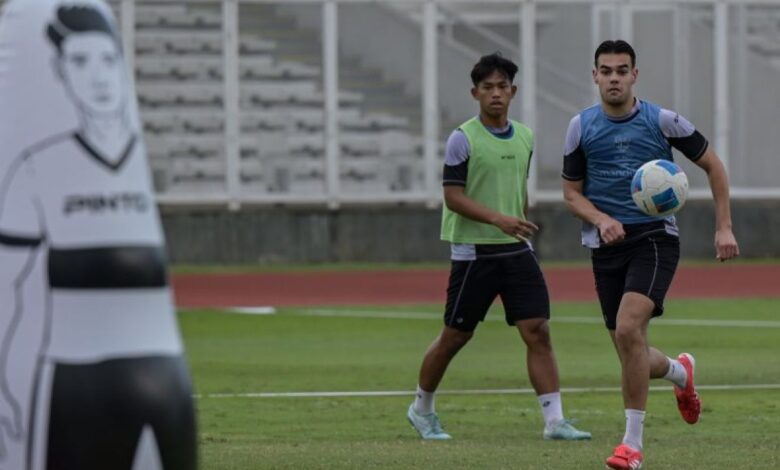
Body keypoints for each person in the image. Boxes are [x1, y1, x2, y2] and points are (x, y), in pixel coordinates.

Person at [0, 4, 196, 469]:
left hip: (164, 386)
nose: (99, 77)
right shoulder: (34, 169)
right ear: (59, 71)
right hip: (68, 388)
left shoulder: (134, 167)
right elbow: (12, 293)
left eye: (107, 60)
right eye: (81, 62)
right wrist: (11, 394)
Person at [561, 40, 739, 470]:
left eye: (622, 70)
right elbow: (570, 193)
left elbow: (713, 164)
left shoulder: (662, 120)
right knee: (631, 349)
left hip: (655, 238)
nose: (615, 78)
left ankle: (632, 446)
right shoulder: (580, 127)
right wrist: (601, 218)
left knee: (627, 328)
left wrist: (724, 226)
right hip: (605, 246)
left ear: (634, 75)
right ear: (595, 76)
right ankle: (680, 373)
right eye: (607, 71)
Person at [406, 52, 591, 442]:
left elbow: (517, 189)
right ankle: (421, 409)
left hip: (516, 250)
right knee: (456, 335)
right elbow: (453, 196)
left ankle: (555, 422)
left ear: (514, 91)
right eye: (487, 87)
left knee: (538, 330)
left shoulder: (524, 136)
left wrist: (517, 221)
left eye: (502, 87)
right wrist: (499, 219)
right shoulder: (463, 138)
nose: (495, 94)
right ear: (475, 93)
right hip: (474, 252)